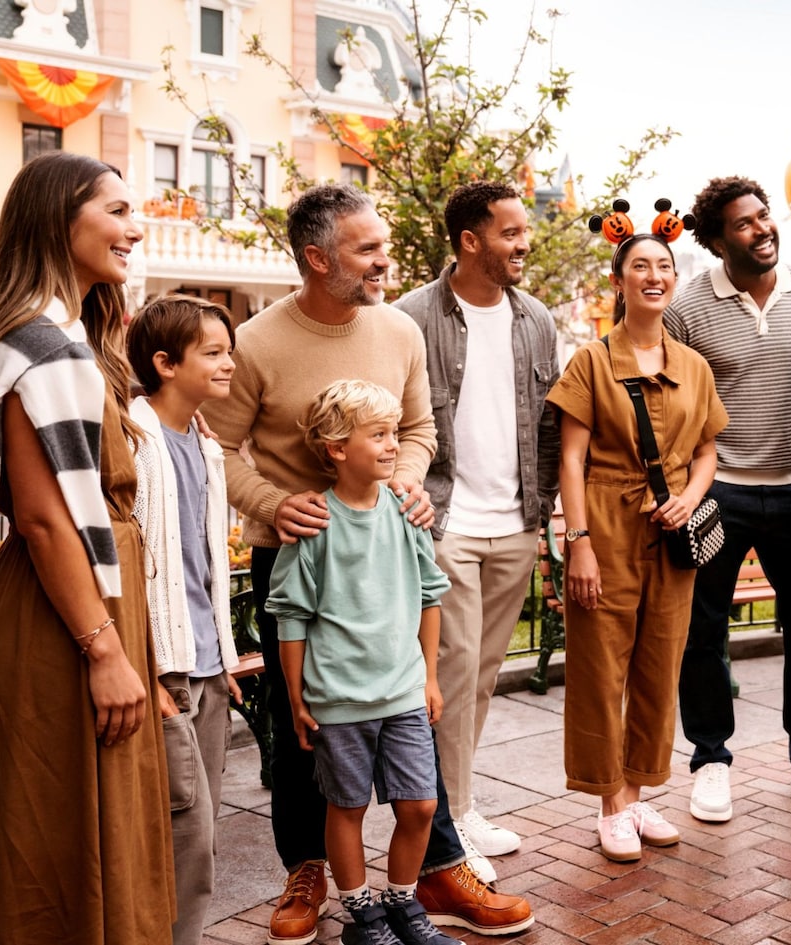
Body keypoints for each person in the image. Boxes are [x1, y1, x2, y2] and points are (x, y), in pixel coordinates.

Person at [204, 184, 532, 944]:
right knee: (302, 727)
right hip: (299, 556)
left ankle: (439, 866)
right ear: (318, 258)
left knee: (412, 706)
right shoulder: (257, 342)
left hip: (388, 553)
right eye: (368, 249)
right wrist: (272, 502)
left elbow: (418, 430)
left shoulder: (399, 330)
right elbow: (216, 445)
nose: (386, 260)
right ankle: (307, 867)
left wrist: (407, 480)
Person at [0, 151, 176, 941]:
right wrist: (104, 649)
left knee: (84, 836)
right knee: (61, 843)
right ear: (58, 220)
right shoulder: (44, 346)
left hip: (78, 605)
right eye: (116, 211)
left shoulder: (56, 338)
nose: (134, 228)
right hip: (66, 620)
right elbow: (45, 521)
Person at [547, 220, 727, 863]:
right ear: (619, 281)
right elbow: (571, 460)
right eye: (641, 267)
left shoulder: (694, 366)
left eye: (664, 267)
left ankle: (635, 793)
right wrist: (579, 542)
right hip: (606, 524)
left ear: (675, 279)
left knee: (658, 666)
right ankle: (609, 805)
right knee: (600, 669)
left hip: (672, 533)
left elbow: (706, 451)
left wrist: (692, 497)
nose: (654, 277)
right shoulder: (592, 361)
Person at [394, 180, 560, 865]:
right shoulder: (410, 318)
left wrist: (544, 513)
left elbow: (548, 425)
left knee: (483, 674)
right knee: (454, 672)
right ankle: (445, 827)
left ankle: (457, 806)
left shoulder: (536, 319)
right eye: (510, 233)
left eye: (524, 232)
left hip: (516, 521)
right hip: (447, 522)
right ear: (470, 241)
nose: (525, 244)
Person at [664, 176, 791, 823]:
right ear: (716, 241)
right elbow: (672, 404)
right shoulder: (687, 309)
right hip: (718, 490)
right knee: (702, 630)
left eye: (763, 216)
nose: (761, 229)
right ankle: (710, 759)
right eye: (744, 223)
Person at [266, 381, 457, 945]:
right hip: (339, 700)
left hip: (403, 691)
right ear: (337, 448)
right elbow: (291, 617)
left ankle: (402, 905)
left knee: (420, 804)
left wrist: (429, 678)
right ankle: (362, 918)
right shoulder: (315, 524)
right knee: (346, 808)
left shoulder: (406, 513)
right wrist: (298, 699)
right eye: (378, 435)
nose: (393, 444)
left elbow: (430, 596)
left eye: (395, 432)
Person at [126, 295, 244, 945]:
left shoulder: (204, 444)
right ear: (165, 363)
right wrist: (144, 667)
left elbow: (202, 564)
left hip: (207, 669)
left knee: (201, 831)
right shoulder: (135, 440)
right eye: (214, 353)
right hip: (166, 671)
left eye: (230, 351)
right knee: (185, 835)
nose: (230, 364)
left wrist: (223, 658)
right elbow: (126, 568)